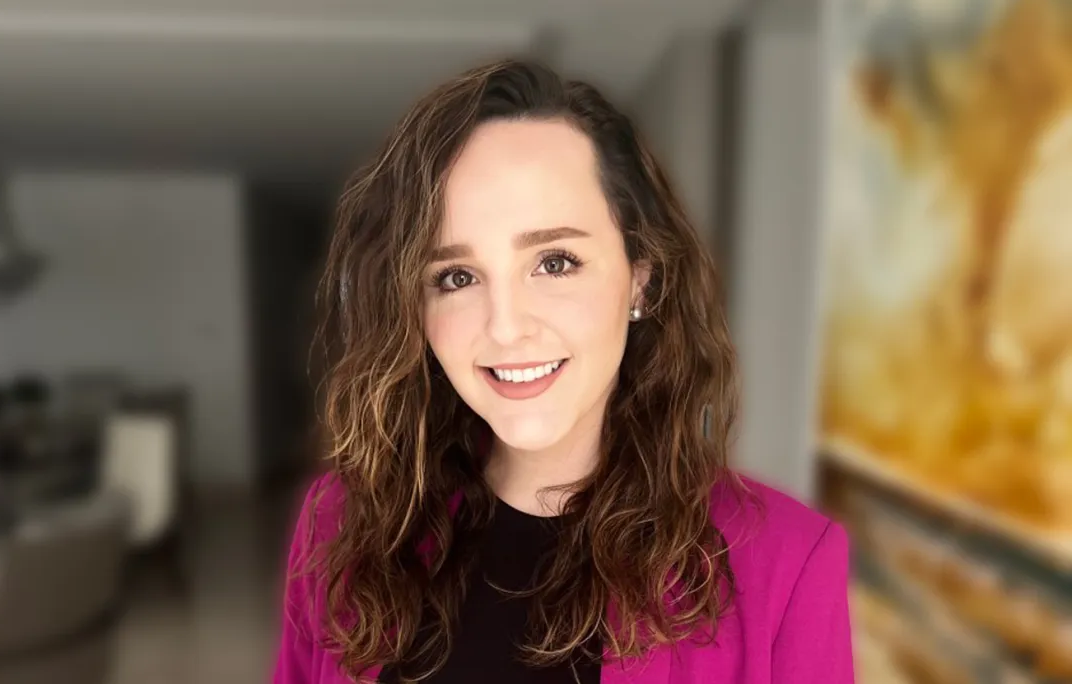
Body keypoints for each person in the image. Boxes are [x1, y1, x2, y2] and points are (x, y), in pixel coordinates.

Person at [273, 59, 853, 684]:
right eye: (457, 276)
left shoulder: (787, 566)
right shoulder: (341, 525)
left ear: (640, 277)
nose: (505, 327)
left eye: (554, 262)